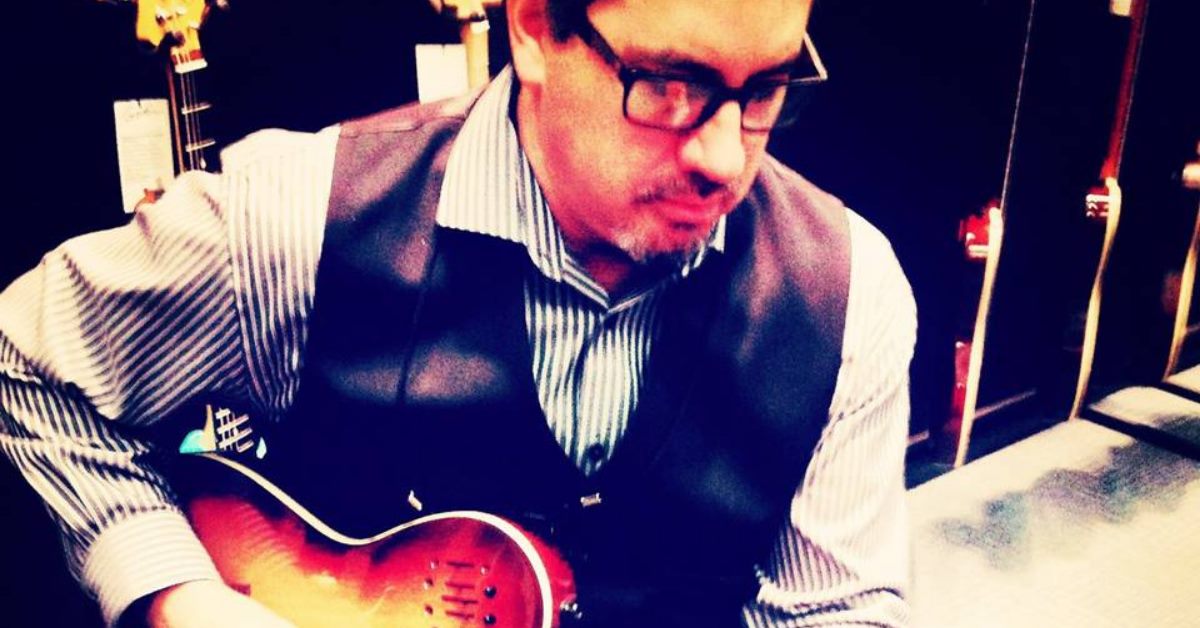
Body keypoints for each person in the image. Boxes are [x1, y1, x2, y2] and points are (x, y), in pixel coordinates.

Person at [0, 0, 916, 625]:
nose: (723, 158)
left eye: (766, 90)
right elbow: (27, 364)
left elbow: (835, 609)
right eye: (672, 85)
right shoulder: (295, 221)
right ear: (534, 27)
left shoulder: (848, 293)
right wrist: (177, 594)